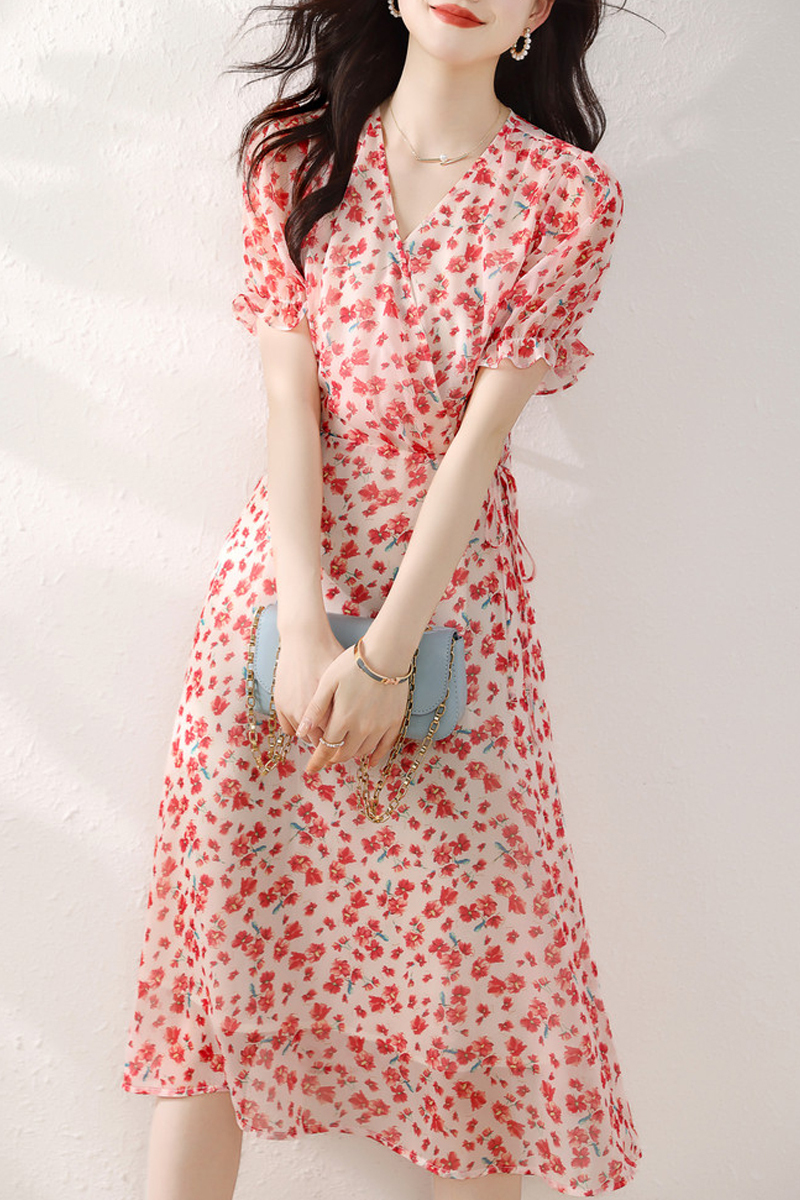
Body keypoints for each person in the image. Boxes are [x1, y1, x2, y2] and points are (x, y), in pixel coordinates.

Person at [121, 1, 643, 1197]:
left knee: (473, 984)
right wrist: (306, 628)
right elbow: (288, 405)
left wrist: (387, 655)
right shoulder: (296, 155)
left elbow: (476, 444)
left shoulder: (565, 197)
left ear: (539, 15)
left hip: (451, 615)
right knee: (222, 957)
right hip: (277, 593)